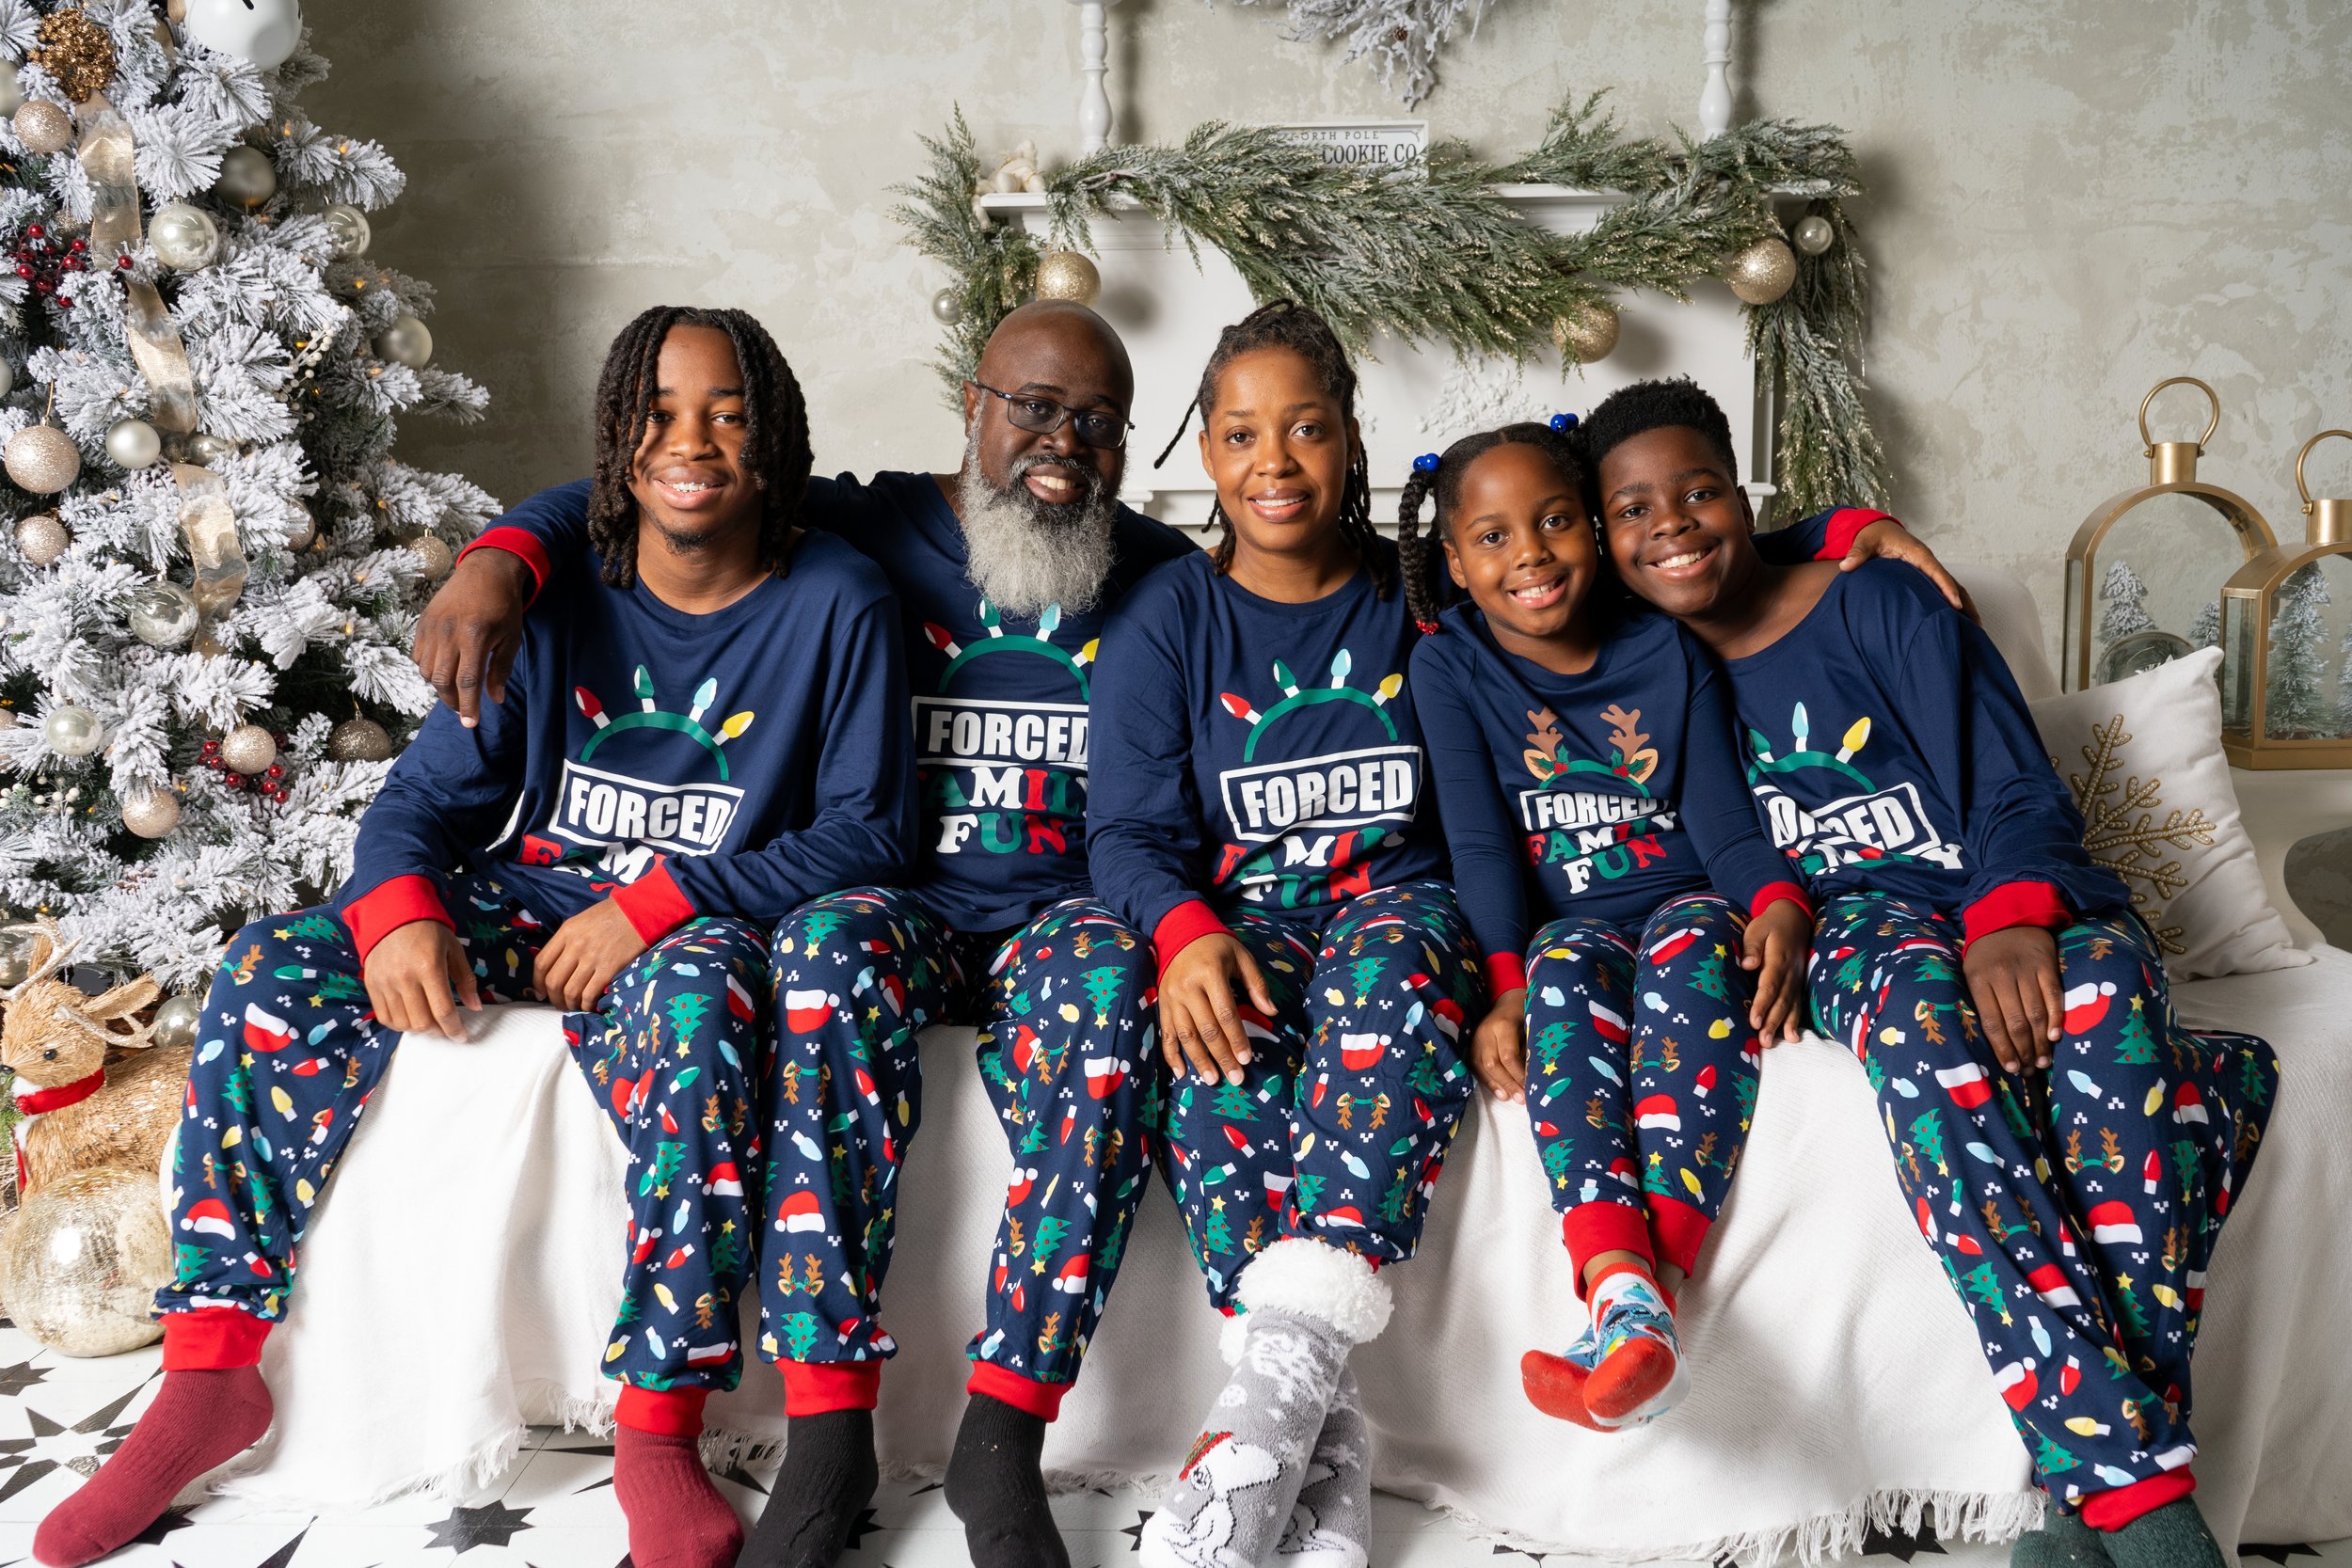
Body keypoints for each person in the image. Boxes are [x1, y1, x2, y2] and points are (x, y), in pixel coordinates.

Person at [34, 308, 914, 1568]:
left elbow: (865, 834)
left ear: (774, 438)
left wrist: (655, 904)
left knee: (709, 1003)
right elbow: (423, 802)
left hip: (694, 924)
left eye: (727, 411)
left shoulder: (840, 599)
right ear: (617, 437)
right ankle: (210, 1370)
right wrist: (401, 913)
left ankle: (659, 1423)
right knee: (271, 963)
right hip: (532, 900)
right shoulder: (551, 586)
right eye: (658, 412)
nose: (693, 440)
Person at [410, 300, 1191, 1568]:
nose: (1064, 440)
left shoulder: (1156, 570)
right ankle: (832, 1429)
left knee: (1112, 983)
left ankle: (1005, 1435)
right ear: (974, 402)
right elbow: (665, 479)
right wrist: (499, 552)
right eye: (1036, 406)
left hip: (1060, 908)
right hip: (895, 902)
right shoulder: (867, 523)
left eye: (1099, 422)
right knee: (823, 951)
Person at [1579, 377, 2279, 1568]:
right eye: (1634, 509)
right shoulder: (1642, 670)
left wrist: (2010, 919)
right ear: (1601, 538)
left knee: (2109, 1017)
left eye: (1700, 491)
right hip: (1858, 926)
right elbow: (1496, 574)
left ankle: (2075, 1495)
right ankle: (2140, 1503)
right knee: (1923, 1041)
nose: (1674, 523)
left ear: (1743, 498)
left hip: (2012, 889)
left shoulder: (1882, 603)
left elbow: (2014, 780)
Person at [1080, 299, 1479, 1568]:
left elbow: (1594, 536)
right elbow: (1127, 832)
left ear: (1353, 439)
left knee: (1391, 967)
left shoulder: (1418, 596)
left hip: (1396, 912)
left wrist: (1848, 524)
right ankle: (1324, 1475)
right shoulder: (1169, 618)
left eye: (1305, 428)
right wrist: (1187, 931)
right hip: (1245, 922)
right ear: (1206, 451)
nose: (1274, 460)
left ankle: (1259, 1425)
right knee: (1211, 1049)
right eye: (1242, 432)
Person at [1402, 416, 1813, 1432]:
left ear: (1593, 527)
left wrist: (1776, 902)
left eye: (1553, 522)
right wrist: (1499, 990)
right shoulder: (1449, 668)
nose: (1530, 553)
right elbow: (1484, 849)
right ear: (1453, 561)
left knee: (1685, 968)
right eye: (1492, 537)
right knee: (1558, 986)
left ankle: (1639, 1299)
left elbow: (1724, 820)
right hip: (1569, 924)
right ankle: (1621, 1284)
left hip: (1686, 904)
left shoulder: (1665, 642)